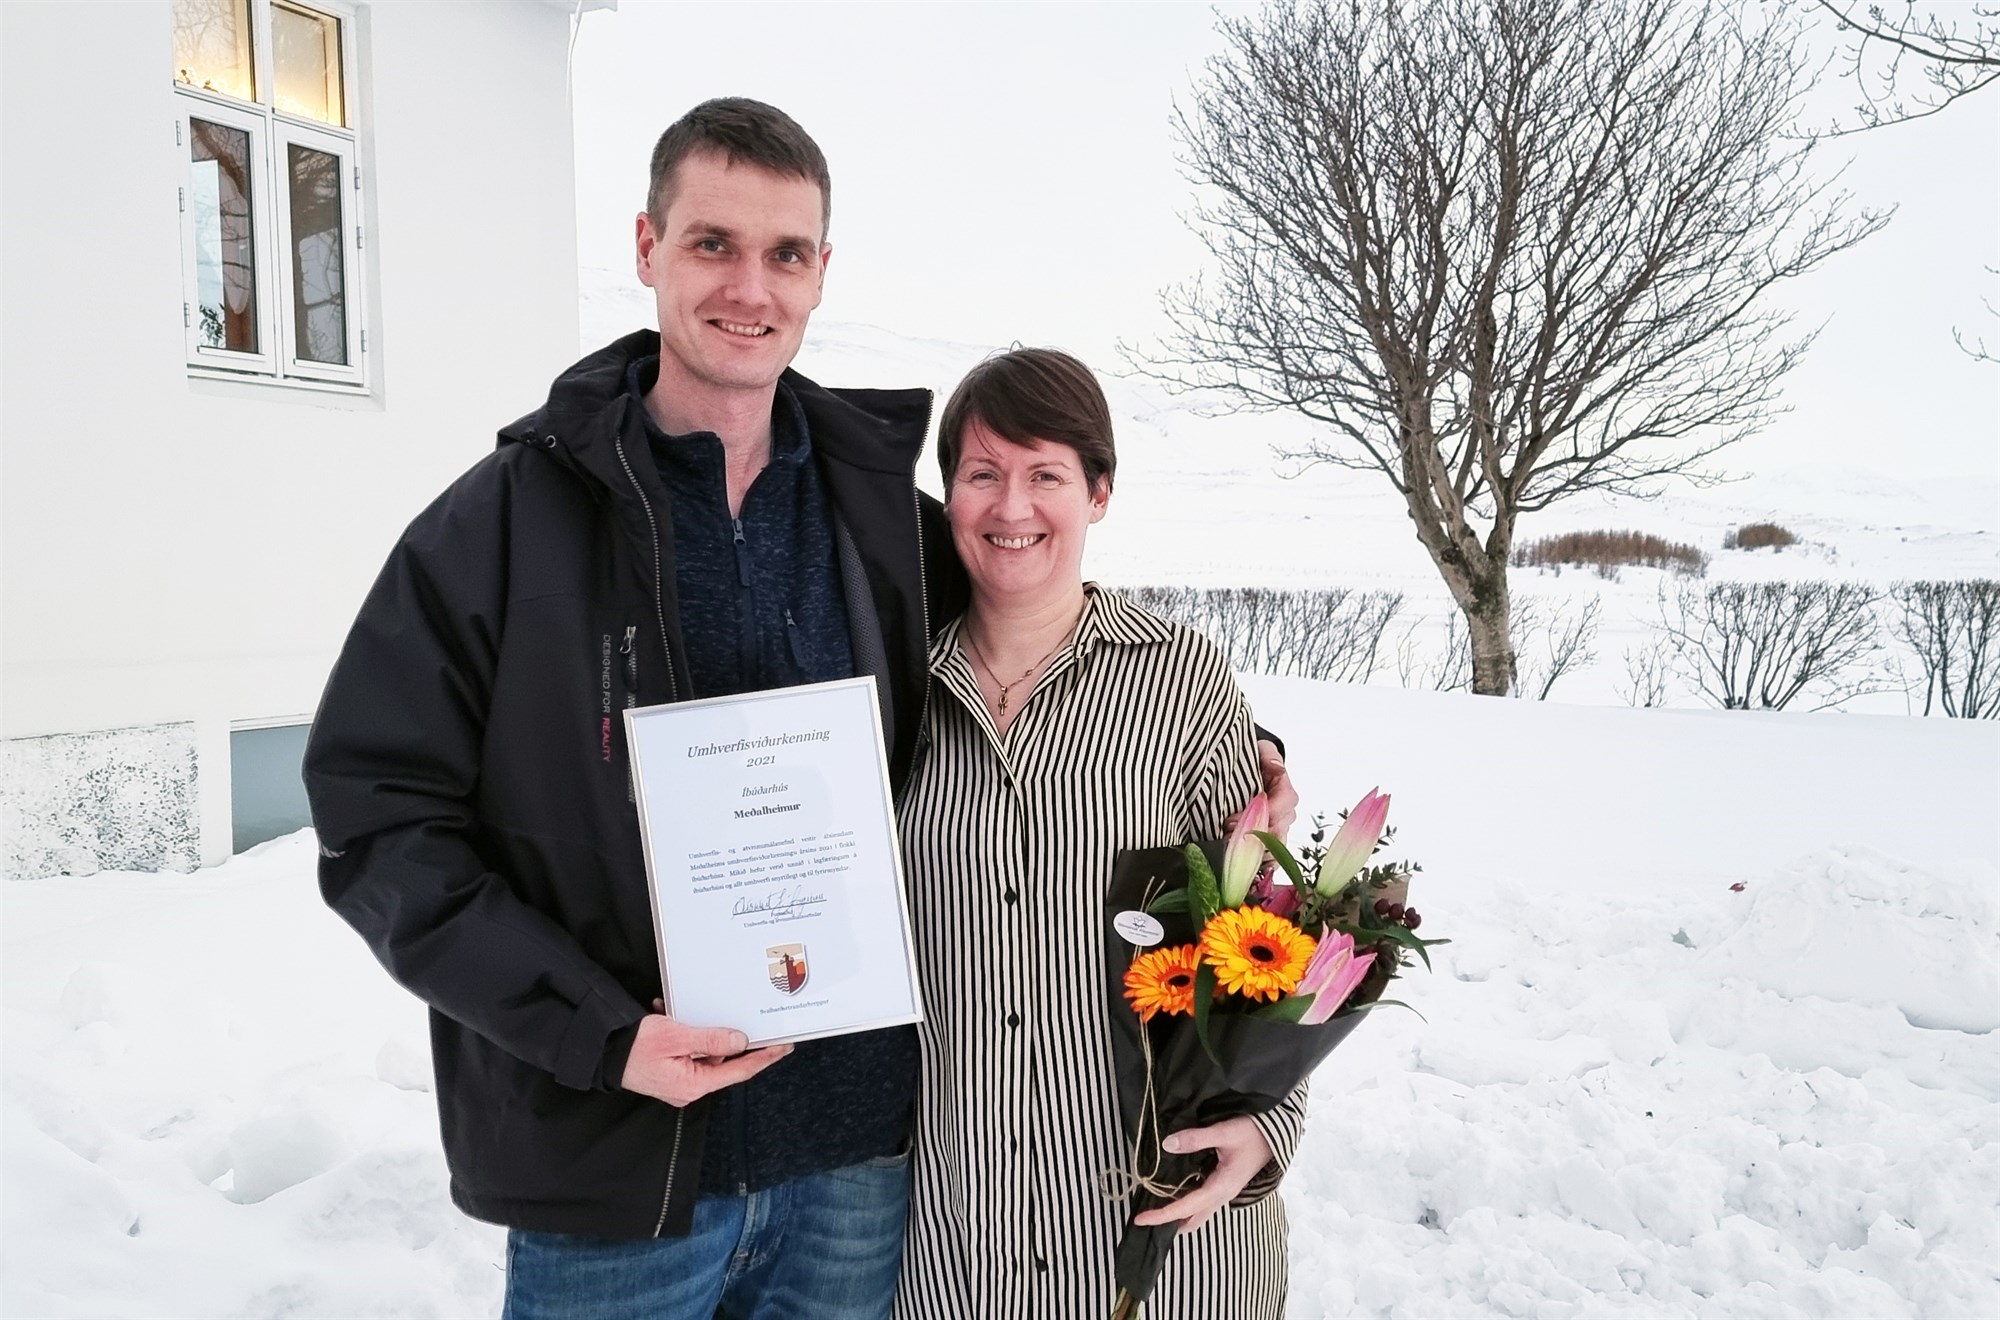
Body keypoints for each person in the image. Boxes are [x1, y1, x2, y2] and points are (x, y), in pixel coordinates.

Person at [303, 99, 1298, 1317]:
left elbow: (1035, 600)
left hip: (857, 1179)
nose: (749, 286)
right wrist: (600, 1036)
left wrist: (1232, 740)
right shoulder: (503, 524)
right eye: (713, 243)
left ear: (822, 272)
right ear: (644, 247)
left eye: (785, 253)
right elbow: (377, 823)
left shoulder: (877, 515)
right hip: (616, 1176)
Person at [894, 349, 1307, 1319]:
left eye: (1046, 475)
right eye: (981, 473)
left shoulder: (1180, 680)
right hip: (964, 1240)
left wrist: (1271, 1126)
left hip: (1165, 1235)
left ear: (1099, 492)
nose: (1011, 507)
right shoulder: (892, 693)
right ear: (947, 493)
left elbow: (1265, 933)